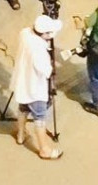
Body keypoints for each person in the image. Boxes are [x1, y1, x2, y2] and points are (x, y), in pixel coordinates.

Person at [11, 15, 63, 160]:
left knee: (24, 107)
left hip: (23, 81)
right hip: (35, 88)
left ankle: (20, 135)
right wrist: (50, 64)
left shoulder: (25, 33)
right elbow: (46, 71)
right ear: (44, 34)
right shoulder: (38, 49)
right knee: (39, 116)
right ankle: (44, 149)